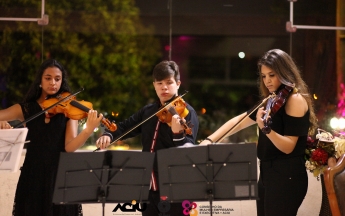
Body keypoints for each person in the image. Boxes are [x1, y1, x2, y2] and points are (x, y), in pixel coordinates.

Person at [200, 49, 318, 216]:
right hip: (267, 174)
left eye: (272, 75)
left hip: (287, 176)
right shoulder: (273, 99)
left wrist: (266, 129)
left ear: (284, 72)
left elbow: (289, 147)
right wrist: (210, 140)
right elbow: (238, 121)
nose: (267, 81)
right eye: (263, 76)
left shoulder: (294, 100)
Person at [0, 59, 103, 216]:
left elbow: (69, 147)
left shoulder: (69, 108)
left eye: (57, 79)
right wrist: (3, 123)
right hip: (33, 175)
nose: (53, 83)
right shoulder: (27, 108)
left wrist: (88, 130)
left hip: (61, 175)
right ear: (40, 81)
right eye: (48, 78)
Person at [96, 60, 199, 216]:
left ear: (178, 84)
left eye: (169, 82)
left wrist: (177, 134)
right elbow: (125, 127)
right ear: (154, 85)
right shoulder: (148, 111)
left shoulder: (187, 113)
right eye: (159, 83)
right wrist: (109, 134)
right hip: (149, 187)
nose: (164, 87)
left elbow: (187, 152)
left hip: (176, 189)